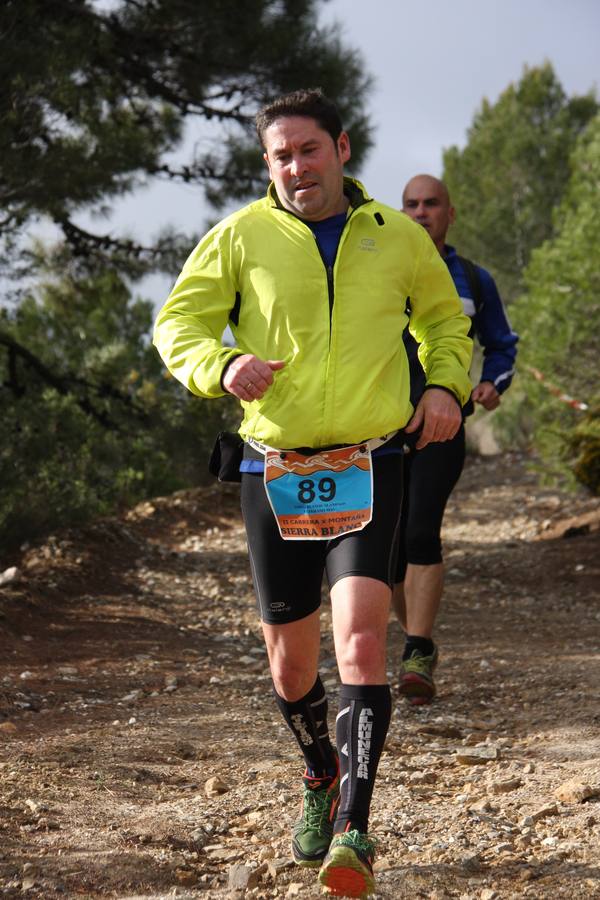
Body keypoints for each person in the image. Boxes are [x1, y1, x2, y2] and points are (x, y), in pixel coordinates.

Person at [153, 91, 472, 899]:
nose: (297, 167)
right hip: (275, 471)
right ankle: (320, 772)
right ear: (270, 166)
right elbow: (177, 326)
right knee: (290, 664)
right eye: (281, 156)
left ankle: (355, 831)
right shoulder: (239, 238)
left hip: (372, 463)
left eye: (309, 150)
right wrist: (221, 366)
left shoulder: (396, 237)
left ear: (342, 147)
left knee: (362, 643)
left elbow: (444, 323)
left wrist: (443, 387)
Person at [393, 174, 518, 706]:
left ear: (450, 213)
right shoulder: (382, 269)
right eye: (411, 205)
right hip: (378, 427)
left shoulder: (472, 278)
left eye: (431, 204)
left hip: (444, 424)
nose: (421, 213)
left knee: (421, 531)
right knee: (387, 545)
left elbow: (501, 344)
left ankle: (418, 649)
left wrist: (492, 382)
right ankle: (410, 636)